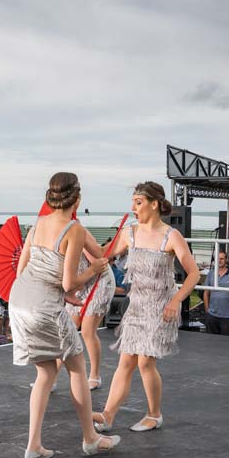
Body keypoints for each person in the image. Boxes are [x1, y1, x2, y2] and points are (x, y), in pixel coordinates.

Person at [9, 173, 119, 458]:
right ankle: (90, 438)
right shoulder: (74, 229)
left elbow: (24, 270)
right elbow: (71, 282)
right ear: (77, 199)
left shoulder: (38, 224)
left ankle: (33, 445)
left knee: (45, 374)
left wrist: (59, 292)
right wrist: (94, 269)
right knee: (77, 368)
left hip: (19, 300)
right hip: (43, 305)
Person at [94, 181, 200, 435]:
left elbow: (194, 274)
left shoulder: (171, 236)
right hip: (137, 306)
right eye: (133, 202)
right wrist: (73, 241)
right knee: (126, 361)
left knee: (144, 362)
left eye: (138, 202)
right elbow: (103, 254)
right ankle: (108, 415)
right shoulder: (129, 233)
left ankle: (154, 414)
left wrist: (176, 301)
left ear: (154, 204)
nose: (133, 207)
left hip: (161, 307)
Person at [64, 243, 116, 390]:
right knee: (66, 331)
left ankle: (95, 375)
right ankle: (50, 377)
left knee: (87, 331)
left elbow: (99, 264)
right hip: (79, 283)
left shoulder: (77, 233)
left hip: (100, 282)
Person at [203, 251, 229, 335]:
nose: (219, 261)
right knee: (210, 343)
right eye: (217, 259)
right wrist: (207, 311)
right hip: (212, 316)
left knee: (226, 345)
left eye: (221, 258)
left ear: (226, 260)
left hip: (228, 317)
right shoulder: (210, 274)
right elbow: (206, 293)